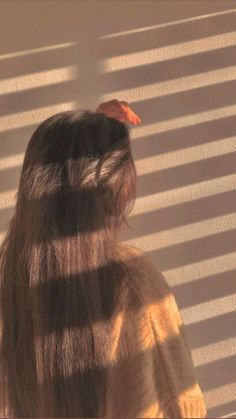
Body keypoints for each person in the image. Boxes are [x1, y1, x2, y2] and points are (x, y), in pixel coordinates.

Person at [0, 99, 207, 418]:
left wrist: (85, 143)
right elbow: (178, 404)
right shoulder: (134, 283)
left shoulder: (15, 281)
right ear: (115, 196)